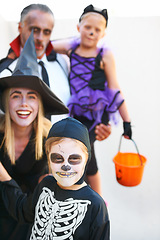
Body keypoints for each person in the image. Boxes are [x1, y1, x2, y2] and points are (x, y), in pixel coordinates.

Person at [0, 4, 112, 196]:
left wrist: (101, 123)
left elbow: (83, 98)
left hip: (65, 163)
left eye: (46, 32)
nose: (40, 38)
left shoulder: (62, 62)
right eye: (34, 30)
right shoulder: (5, 72)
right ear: (20, 27)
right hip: (22, 172)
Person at [52, 4, 132, 195]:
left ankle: (98, 201)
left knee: (86, 155)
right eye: (88, 27)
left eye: (97, 30)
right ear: (78, 27)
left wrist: (127, 121)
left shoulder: (104, 54)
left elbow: (115, 88)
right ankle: (86, 197)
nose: (91, 33)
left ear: (103, 34)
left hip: (97, 114)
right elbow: (46, 44)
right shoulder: (71, 48)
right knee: (82, 154)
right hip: (77, 113)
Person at [0, 31, 68, 240]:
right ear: (5, 102)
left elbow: (31, 211)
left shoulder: (52, 143)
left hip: (28, 229)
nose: (23, 104)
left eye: (31, 97)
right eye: (16, 96)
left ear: (40, 104)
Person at [0, 117, 110, 240]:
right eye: (58, 158)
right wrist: (3, 174)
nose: (66, 166)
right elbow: (23, 211)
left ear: (86, 159)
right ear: (48, 159)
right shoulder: (46, 185)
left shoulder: (95, 204)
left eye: (74, 159)